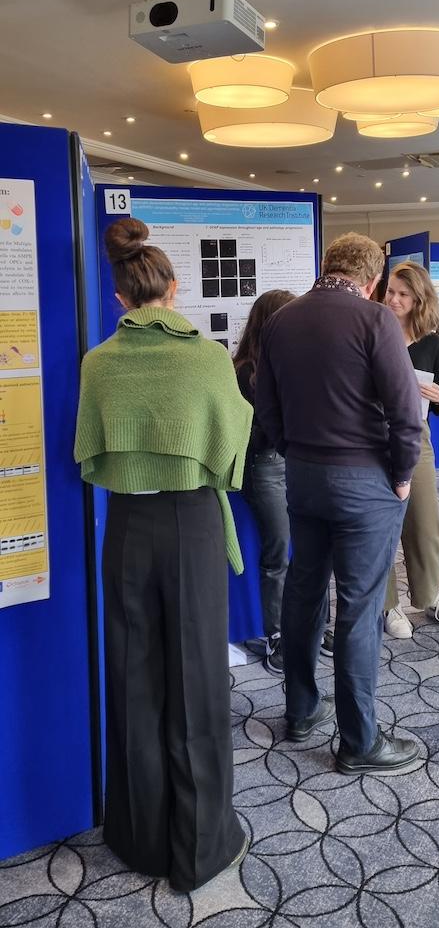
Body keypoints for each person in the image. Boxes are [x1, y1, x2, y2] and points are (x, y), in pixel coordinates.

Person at [74, 218, 253, 893]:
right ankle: (203, 846)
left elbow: (88, 454)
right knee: (198, 682)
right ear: (173, 290)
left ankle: (139, 836)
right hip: (191, 521)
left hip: (126, 524)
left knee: (133, 677)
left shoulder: (98, 361)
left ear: (120, 297)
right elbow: (234, 441)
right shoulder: (204, 356)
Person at [256, 232, 423, 775]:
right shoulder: (376, 321)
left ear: (328, 265)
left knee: (303, 591)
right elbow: (404, 412)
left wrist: (294, 452)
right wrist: (402, 476)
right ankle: (359, 741)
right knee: (359, 608)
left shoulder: (282, 319)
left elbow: (266, 405)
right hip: (364, 484)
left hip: (302, 478)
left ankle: (301, 712)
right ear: (372, 280)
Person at [383, 263, 439, 639]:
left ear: (419, 300)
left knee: (425, 523)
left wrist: (438, 396)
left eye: (403, 294)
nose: (394, 300)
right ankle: (387, 604)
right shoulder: (374, 332)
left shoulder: (433, 343)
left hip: (416, 436)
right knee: (380, 526)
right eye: (390, 291)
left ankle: (428, 595)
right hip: (371, 436)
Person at [234, 290, 295, 674]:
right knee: (279, 552)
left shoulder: (295, 360)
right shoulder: (244, 370)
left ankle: (311, 626)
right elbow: (249, 435)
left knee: (307, 550)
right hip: (265, 467)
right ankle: (276, 635)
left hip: (296, 463)